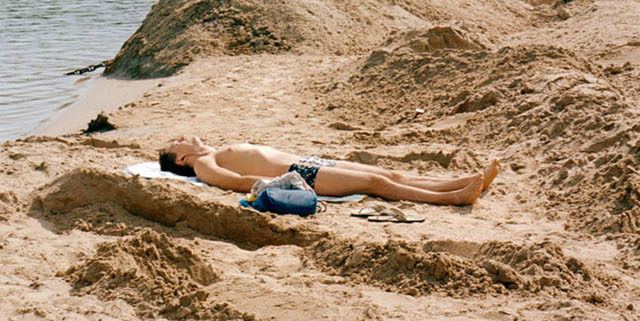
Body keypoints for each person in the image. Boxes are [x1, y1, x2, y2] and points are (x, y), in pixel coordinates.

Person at [157, 135, 498, 206]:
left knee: (385, 173)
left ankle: (456, 183)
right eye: (177, 142)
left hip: (307, 161)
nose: (184, 137)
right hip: (298, 174)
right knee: (375, 182)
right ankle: (453, 198)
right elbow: (231, 182)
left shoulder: (212, 150)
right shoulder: (203, 163)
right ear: (182, 160)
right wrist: (281, 185)